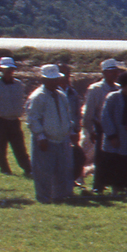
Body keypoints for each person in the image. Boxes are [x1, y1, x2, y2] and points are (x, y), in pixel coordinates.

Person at [23, 64, 75, 203]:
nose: (54, 82)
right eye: (50, 79)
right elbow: (33, 118)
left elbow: (66, 114)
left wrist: (70, 130)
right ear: (43, 80)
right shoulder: (38, 97)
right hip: (46, 139)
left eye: (55, 79)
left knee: (62, 169)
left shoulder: (61, 95)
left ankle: (61, 196)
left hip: (62, 138)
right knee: (43, 171)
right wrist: (40, 136)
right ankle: (44, 197)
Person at [0, 56, 31, 176]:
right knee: (1, 147)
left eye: (11, 69)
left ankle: (27, 168)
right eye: (6, 69)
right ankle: (5, 169)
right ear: (1, 69)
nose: (9, 71)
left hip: (14, 121)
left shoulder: (18, 84)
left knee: (20, 147)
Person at [81, 59, 122, 190]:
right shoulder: (95, 89)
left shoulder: (119, 88)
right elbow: (89, 113)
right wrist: (90, 130)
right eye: (111, 72)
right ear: (104, 73)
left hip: (116, 129)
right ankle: (97, 184)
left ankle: (114, 183)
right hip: (100, 129)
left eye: (116, 72)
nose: (114, 74)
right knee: (97, 158)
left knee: (115, 158)